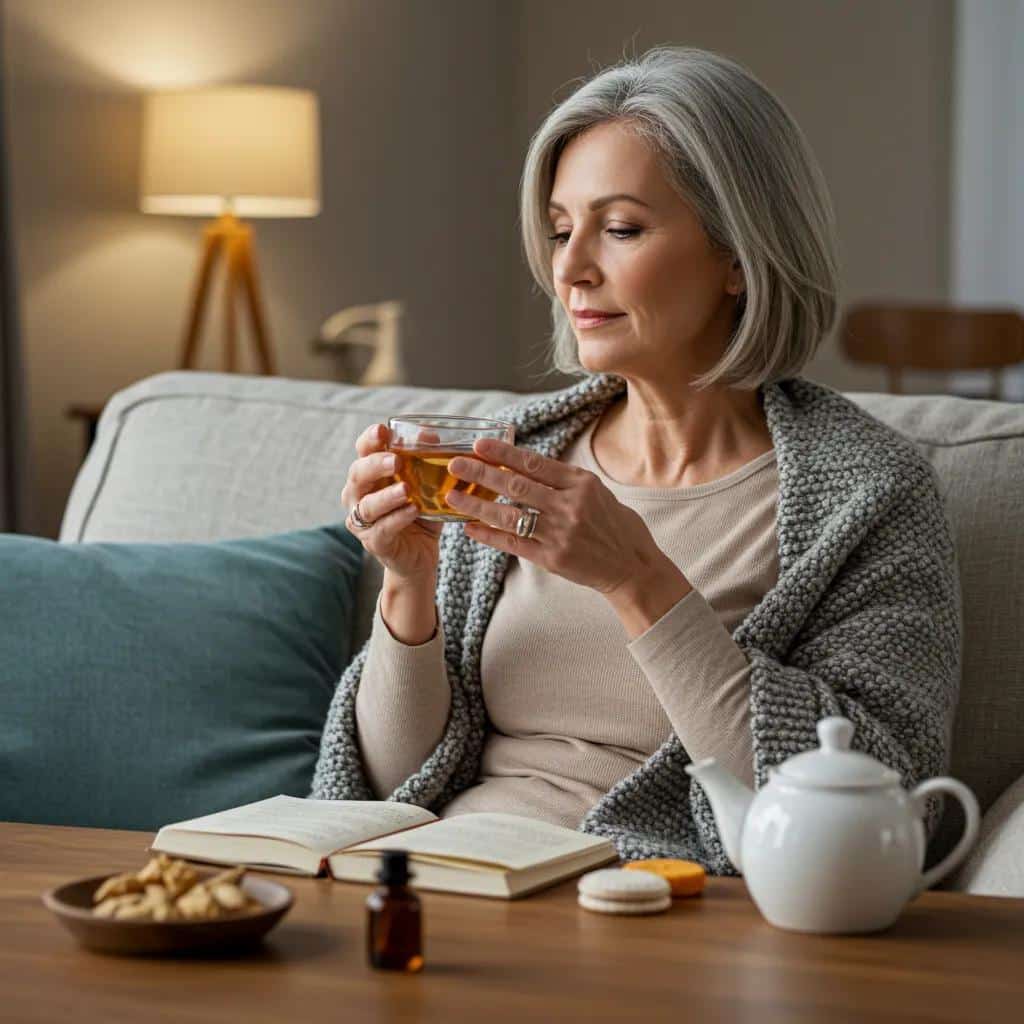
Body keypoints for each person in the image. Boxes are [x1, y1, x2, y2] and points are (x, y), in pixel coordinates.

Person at [311, 46, 961, 872]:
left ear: (738, 255)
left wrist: (637, 579)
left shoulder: (868, 494)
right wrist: (408, 589)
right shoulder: (516, 457)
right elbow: (390, 783)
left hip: (648, 907)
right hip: (444, 879)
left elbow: (880, 795)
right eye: (559, 229)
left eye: (620, 228)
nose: (571, 268)